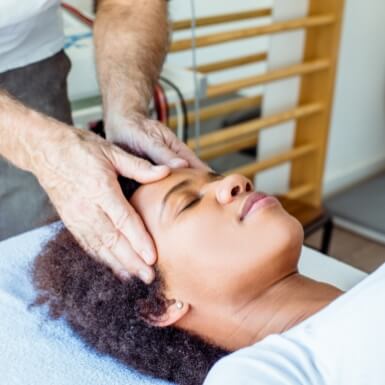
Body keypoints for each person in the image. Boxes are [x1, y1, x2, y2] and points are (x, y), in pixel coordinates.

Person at [35, 168, 385, 385]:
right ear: (160, 305)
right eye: (187, 203)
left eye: (214, 177)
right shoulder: (257, 374)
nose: (236, 180)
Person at [0, 0, 207, 284]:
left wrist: (127, 110)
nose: (234, 183)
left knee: (31, 243)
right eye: (186, 203)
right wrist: (42, 147)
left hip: (26, 48)